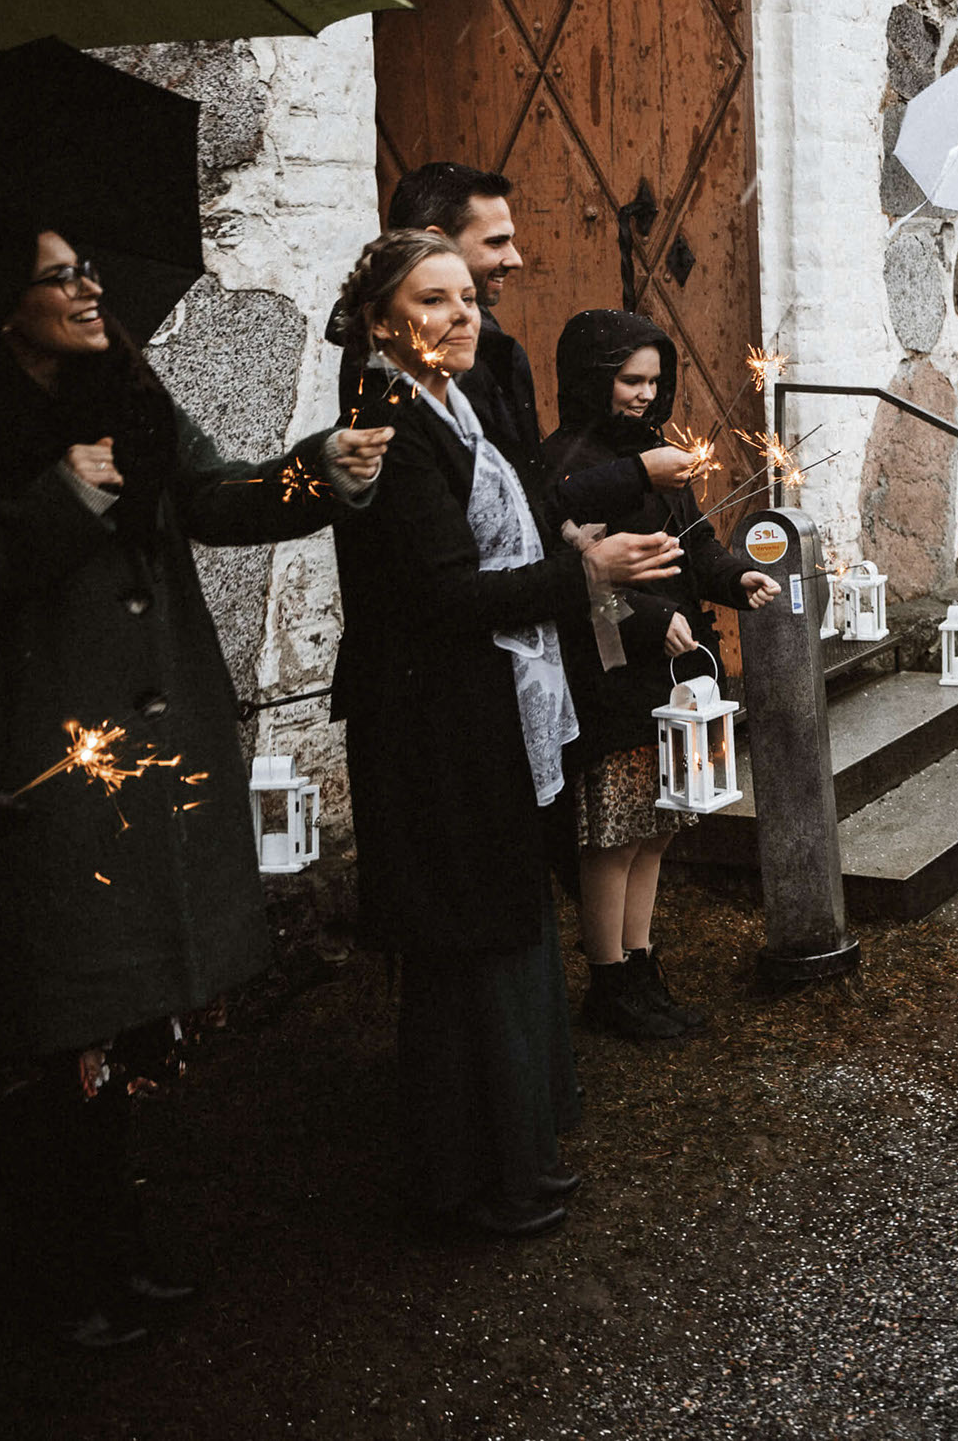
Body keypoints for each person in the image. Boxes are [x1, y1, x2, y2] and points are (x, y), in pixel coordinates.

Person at [0, 219, 389, 1345]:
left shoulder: (130, 390)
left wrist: (322, 467)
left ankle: (110, 1243)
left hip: (146, 754)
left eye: (87, 267)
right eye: (56, 274)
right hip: (42, 764)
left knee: (117, 1022)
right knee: (58, 1019)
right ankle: (57, 1273)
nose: (85, 287)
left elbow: (222, 497)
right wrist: (56, 501)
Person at [329, 230, 683, 1239]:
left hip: (487, 704)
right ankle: (470, 1173)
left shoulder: (454, 400)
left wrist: (581, 539)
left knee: (500, 918)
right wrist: (585, 575)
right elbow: (442, 594)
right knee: (462, 941)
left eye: (464, 299)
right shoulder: (384, 422)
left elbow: (525, 511)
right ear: (381, 320)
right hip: (434, 720)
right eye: (431, 301)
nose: (461, 315)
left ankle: (517, 1147)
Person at [541, 312, 779, 1041]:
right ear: (592, 380)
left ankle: (642, 964)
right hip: (609, 675)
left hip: (670, 677)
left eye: (653, 380)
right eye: (628, 380)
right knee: (612, 835)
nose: (645, 395)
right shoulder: (564, 469)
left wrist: (739, 578)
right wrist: (646, 619)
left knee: (655, 828)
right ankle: (608, 978)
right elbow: (576, 573)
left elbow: (694, 544)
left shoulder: (661, 455)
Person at [332, 161, 680, 514]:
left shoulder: (475, 348)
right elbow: (475, 528)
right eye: (496, 242)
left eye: (467, 302)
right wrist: (632, 481)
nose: (515, 260)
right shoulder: (409, 374)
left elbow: (518, 499)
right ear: (438, 243)